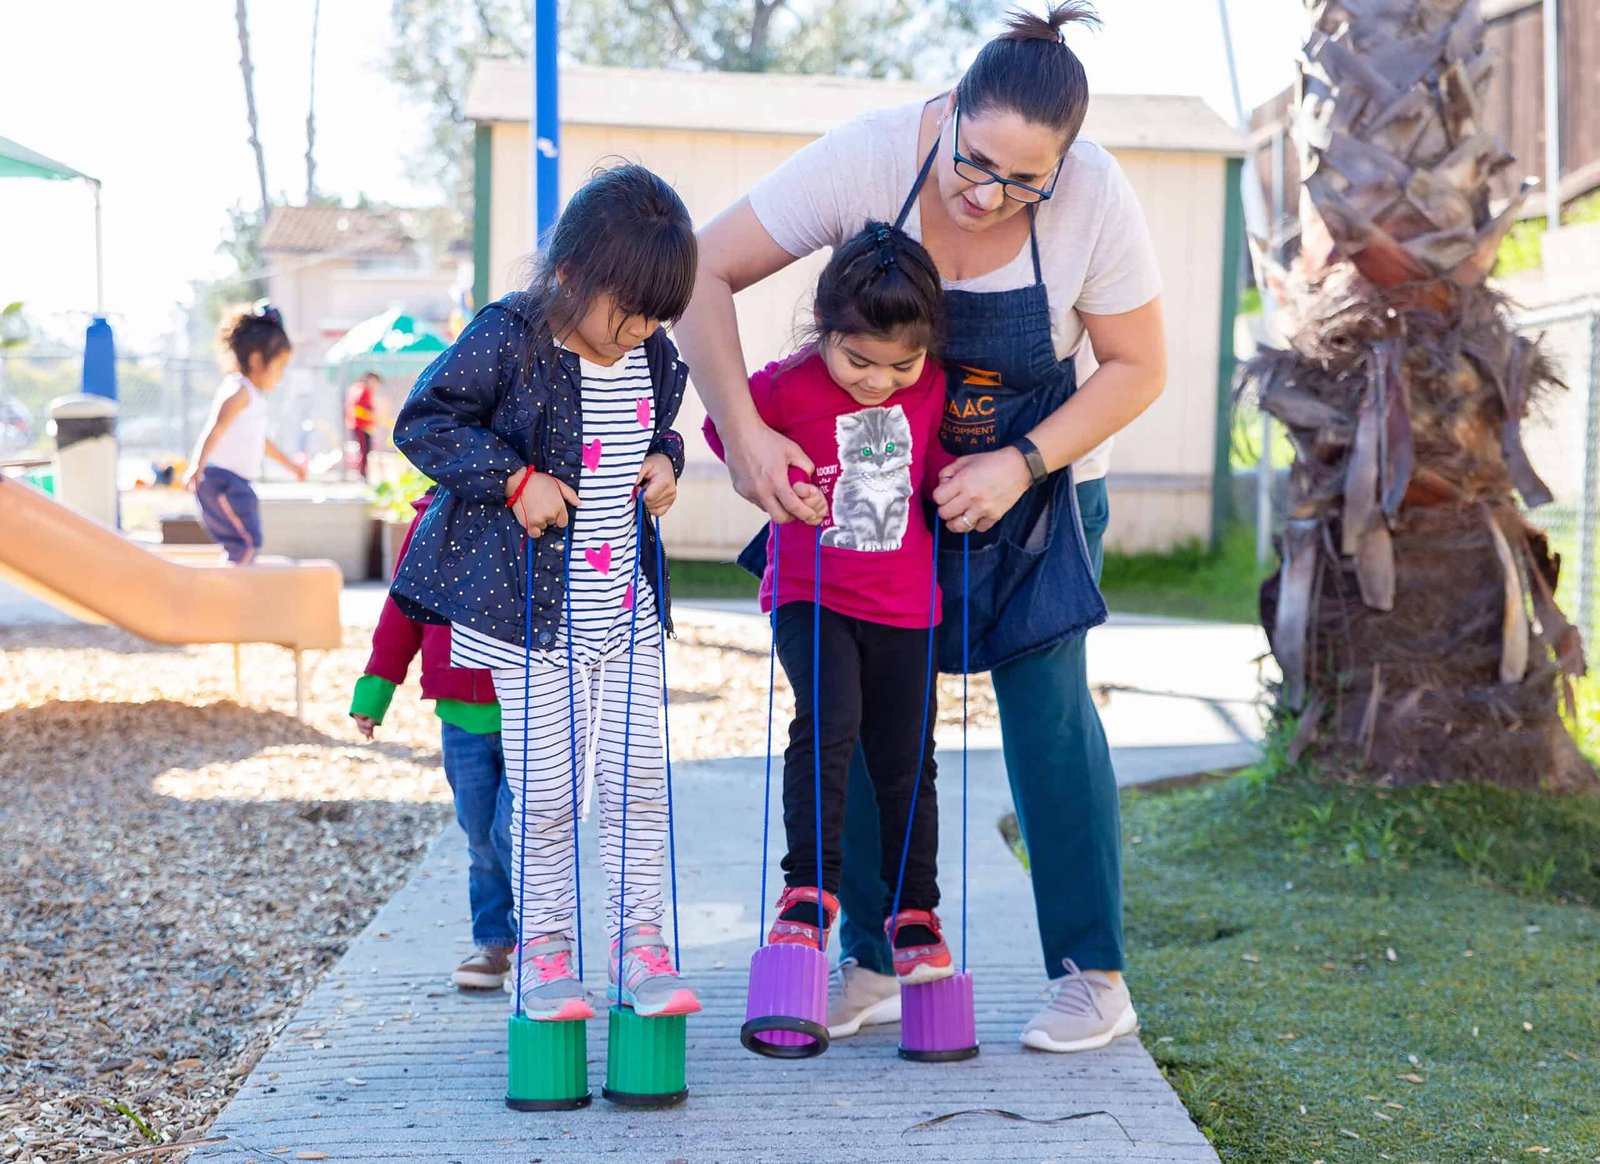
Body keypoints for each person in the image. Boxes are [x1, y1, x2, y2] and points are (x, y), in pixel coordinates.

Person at [675, 1, 1167, 1053]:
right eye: (974, 163)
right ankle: (871, 959)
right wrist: (746, 437)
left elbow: (1137, 367)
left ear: (1065, 165)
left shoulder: (1094, 196)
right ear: (947, 112)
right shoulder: (865, 158)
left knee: (1047, 714)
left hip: (1039, 491)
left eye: (1024, 182)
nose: (988, 197)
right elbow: (697, 270)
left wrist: (1019, 462)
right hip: (873, 491)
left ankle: (1092, 974)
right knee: (859, 713)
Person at [390, 163, 701, 1023]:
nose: (639, 332)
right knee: (550, 791)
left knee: (639, 786)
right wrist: (513, 478)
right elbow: (425, 421)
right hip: (531, 621)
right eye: (627, 312)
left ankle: (641, 949)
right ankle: (546, 956)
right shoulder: (510, 337)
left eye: (657, 317)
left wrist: (666, 460)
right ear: (569, 274)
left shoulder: (651, 355)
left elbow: (660, 427)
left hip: (627, 614)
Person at [705, 223, 956, 984]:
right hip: (812, 595)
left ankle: (915, 910)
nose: (879, 381)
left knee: (906, 758)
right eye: (859, 361)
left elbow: (935, 468)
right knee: (828, 727)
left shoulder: (934, 387)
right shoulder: (786, 386)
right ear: (824, 329)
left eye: (901, 364)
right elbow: (725, 428)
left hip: (907, 606)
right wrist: (775, 469)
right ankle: (809, 890)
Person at [350, 487, 515, 991]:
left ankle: (542, 942)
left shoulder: (536, 508)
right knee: (480, 834)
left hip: (532, 707)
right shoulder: (430, 520)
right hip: (459, 715)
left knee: (519, 832)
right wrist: (376, 690)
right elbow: (402, 610)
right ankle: (494, 942)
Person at [184, 302, 308, 564]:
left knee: (247, 543)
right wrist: (197, 465)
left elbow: (261, 442)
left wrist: (291, 466)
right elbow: (215, 427)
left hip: (237, 483)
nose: (281, 376)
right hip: (221, 481)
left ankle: (235, 579)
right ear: (256, 360)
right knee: (246, 542)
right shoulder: (238, 391)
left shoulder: (253, 397)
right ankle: (229, 585)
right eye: (279, 366)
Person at [346, 370, 382, 480]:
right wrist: (371, 416)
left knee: (365, 450)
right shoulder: (362, 390)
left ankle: (362, 473)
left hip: (363, 425)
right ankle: (362, 474)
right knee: (364, 450)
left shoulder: (361, 389)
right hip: (360, 425)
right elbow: (357, 409)